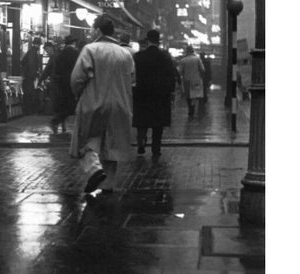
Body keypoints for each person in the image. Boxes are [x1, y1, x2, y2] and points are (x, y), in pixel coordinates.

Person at [69, 15, 134, 196]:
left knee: (86, 140)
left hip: (93, 102)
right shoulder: (125, 54)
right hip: (121, 104)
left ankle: (95, 170)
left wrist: (79, 95)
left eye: (91, 30)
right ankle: (108, 185)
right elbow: (132, 79)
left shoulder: (90, 50)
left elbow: (77, 79)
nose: (89, 33)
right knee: (112, 146)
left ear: (98, 31)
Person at [132, 29, 176, 159]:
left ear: (148, 40)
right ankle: (156, 149)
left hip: (142, 93)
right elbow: (171, 75)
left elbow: (133, 75)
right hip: (160, 95)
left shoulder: (139, 56)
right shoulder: (165, 57)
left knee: (142, 121)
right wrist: (171, 91)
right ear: (158, 41)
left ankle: (141, 141)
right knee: (158, 124)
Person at [50, 35, 79, 134]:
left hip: (61, 83)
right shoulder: (76, 53)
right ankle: (56, 121)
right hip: (72, 82)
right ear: (74, 43)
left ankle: (59, 123)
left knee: (65, 104)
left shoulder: (61, 54)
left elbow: (56, 69)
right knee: (71, 106)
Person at [179, 45, 205, 118]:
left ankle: (190, 110)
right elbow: (203, 69)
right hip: (196, 80)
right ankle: (193, 109)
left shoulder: (183, 60)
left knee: (188, 96)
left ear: (186, 51)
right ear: (193, 51)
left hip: (187, 80)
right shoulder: (197, 59)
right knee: (194, 95)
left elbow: (180, 71)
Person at [21, 36, 43, 114]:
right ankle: (30, 110)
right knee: (31, 93)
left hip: (28, 76)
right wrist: (34, 75)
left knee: (29, 93)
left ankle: (29, 110)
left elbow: (23, 62)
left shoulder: (31, 51)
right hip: (31, 77)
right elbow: (31, 64)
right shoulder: (33, 52)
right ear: (38, 44)